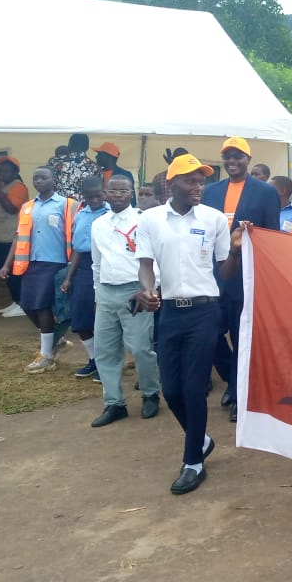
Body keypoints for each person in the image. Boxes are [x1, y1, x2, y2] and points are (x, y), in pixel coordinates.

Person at [135, 153, 242, 495]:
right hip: (168, 311)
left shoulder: (213, 219)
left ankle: (192, 461)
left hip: (204, 312)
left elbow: (224, 271)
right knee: (172, 390)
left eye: (202, 181)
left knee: (194, 388)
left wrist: (237, 252)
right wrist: (147, 290)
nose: (199, 187)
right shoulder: (151, 220)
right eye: (191, 181)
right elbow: (145, 265)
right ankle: (202, 440)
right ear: (172, 184)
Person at [202, 137, 281, 422]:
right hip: (210, 275)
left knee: (240, 335)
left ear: (248, 159)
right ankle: (231, 378)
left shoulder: (264, 193)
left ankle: (237, 394)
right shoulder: (210, 191)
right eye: (227, 157)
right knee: (209, 335)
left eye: (238, 156)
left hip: (244, 277)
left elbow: (271, 237)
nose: (232, 161)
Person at [89, 173, 161, 426]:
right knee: (105, 351)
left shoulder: (144, 220)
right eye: (113, 191)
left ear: (131, 193)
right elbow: (96, 263)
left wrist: (151, 289)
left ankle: (151, 394)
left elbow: (152, 260)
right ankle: (114, 403)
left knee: (141, 348)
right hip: (107, 291)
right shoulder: (98, 224)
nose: (118, 195)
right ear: (106, 193)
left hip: (136, 291)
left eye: (123, 191)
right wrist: (98, 293)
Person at [0, 167, 79, 374]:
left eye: (44, 177)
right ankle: (55, 339)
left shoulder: (67, 205)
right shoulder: (27, 207)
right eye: (36, 178)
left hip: (55, 263)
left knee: (42, 305)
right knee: (27, 304)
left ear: (54, 180)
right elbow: (18, 236)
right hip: (30, 263)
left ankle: (46, 355)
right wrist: (7, 264)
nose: (39, 181)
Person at [61, 176, 110, 380]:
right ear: (84, 197)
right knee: (81, 318)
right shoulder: (81, 215)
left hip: (107, 267)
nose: (95, 200)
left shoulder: (111, 214)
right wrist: (68, 277)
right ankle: (94, 360)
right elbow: (78, 248)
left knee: (103, 320)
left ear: (104, 192)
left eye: (98, 195)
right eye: (90, 197)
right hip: (83, 268)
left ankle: (106, 365)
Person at [0, 156, 28, 318]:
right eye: (1, 171)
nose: (2, 174)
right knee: (5, 272)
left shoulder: (19, 188)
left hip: (9, 238)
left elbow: (11, 208)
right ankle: (15, 301)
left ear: (15, 173)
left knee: (13, 272)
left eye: (6, 171)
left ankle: (21, 303)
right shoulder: (3, 187)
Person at [48, 133, 100, 202]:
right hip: (82, 207)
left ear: (69, 145)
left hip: (57, 205)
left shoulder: (54, 161)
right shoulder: (94, 167)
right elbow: (97, 191)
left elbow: (46, 184)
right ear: (87, 147)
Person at [91, 142, 137, 207]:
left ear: (109, 157)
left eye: (100, 154)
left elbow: (132, 200)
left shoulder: (125, 175)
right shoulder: (95, 174)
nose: (96, 157)